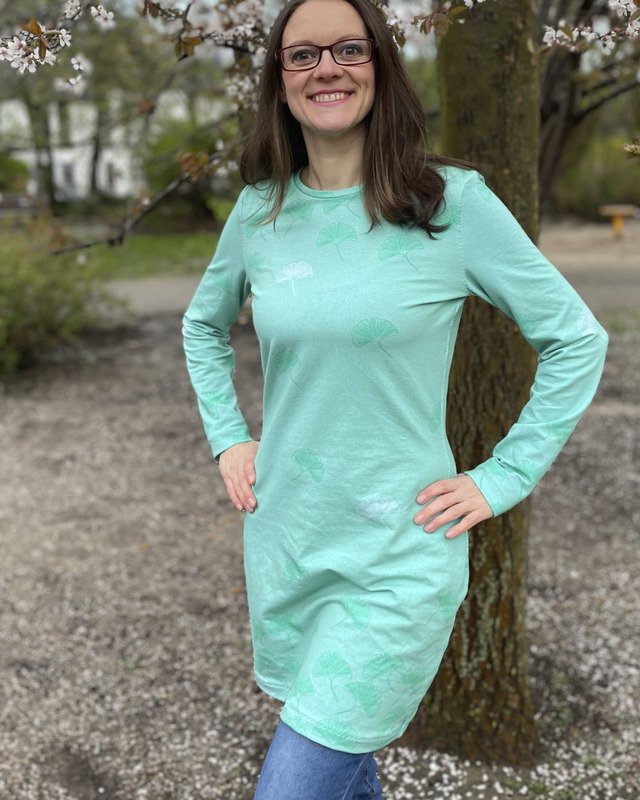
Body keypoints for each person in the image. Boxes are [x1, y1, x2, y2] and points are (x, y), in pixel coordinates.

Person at [181, 0, 609, 797]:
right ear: (279, 79)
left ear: (379, 63)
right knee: (343, 762)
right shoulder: (259, 212)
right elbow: (202, 327)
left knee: (297, 780)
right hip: (291, 544)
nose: (327, 69)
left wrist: (502, 477)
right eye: (302, 54)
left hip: (399, 560)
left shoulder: (452, 204)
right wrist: (228, 435)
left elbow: (577, 339)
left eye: (349, 49)